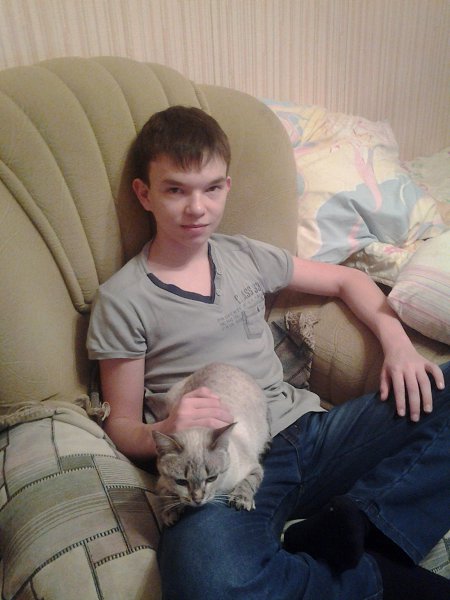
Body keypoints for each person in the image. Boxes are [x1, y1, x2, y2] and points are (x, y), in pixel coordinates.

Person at [87, 106, 450, 600]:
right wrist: (163, 429)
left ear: (227, 187)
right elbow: (122, 426)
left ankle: (367, 525)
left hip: (311, 432)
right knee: (206, 580)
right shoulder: (122, 300)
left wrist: (398, 344)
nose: (197, 208)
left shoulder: (243, 254)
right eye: (176, 190)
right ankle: (372, 576)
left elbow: (347, 279)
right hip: (224, 463)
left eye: (211, 188)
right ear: (144, 193)